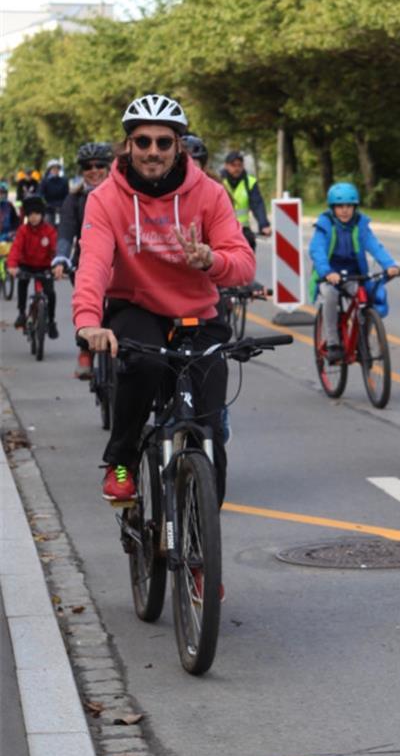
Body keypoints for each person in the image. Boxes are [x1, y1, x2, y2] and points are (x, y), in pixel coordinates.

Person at [72, 93, 255, 506]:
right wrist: (88, 321)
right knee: (145, 364)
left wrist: (212, 259)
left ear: (179, 146)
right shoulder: (105, 198)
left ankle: (204, 559)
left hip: (197, 314)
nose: (152, 151)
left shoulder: (208, 194)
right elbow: (94, 264)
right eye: (142, 141)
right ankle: (121, 463)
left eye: (163, 142)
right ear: (127, 145)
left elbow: (242, 262)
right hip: (136, 308)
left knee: (211, 432)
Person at [309, 182, 400, 362]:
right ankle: (333, 343)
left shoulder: (360, 225)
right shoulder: (325, 224)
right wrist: (327, 272)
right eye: (340, 206)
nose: (345, 210)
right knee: (330, 296)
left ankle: (362, 341)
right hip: (329, 274)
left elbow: (375, 245)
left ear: (355, 207)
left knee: (366, 299)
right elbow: (316, 250)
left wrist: (390, 265)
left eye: (349, 206)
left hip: (353, 274)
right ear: (332, 208)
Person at [53, 142, 114, 378]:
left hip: (121, 263)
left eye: (100, 165)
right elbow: (66, 230)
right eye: (88, 166)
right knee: (89, 303)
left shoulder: (123, 194)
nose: (94, 170)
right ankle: (85, 351)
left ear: (109, 167)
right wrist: (61, 258)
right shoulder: (74, 199)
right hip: (87, 262)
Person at [8, 195, 57, 335]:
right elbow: (16, 248)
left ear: (42, 214)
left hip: (45, 266)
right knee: (22, 283)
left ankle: (52, 321)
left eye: (37, 214)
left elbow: (56, 250)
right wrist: (12, 265)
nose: (34, 217)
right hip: (26, 265)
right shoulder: (23, 231)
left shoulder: (49, 231)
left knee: (50, 293)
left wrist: (58, 266)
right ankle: (22, 313)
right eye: (30, 214)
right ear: (27, 216)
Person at [219, 150, 271, 251]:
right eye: (233, 165)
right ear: (226, 166)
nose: (237, 168)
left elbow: (257, 205)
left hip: (243, 231)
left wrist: (264, 224)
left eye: (240, 165)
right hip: (222, 230)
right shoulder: (218, 181)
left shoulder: (250, 182)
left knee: (248, 255)